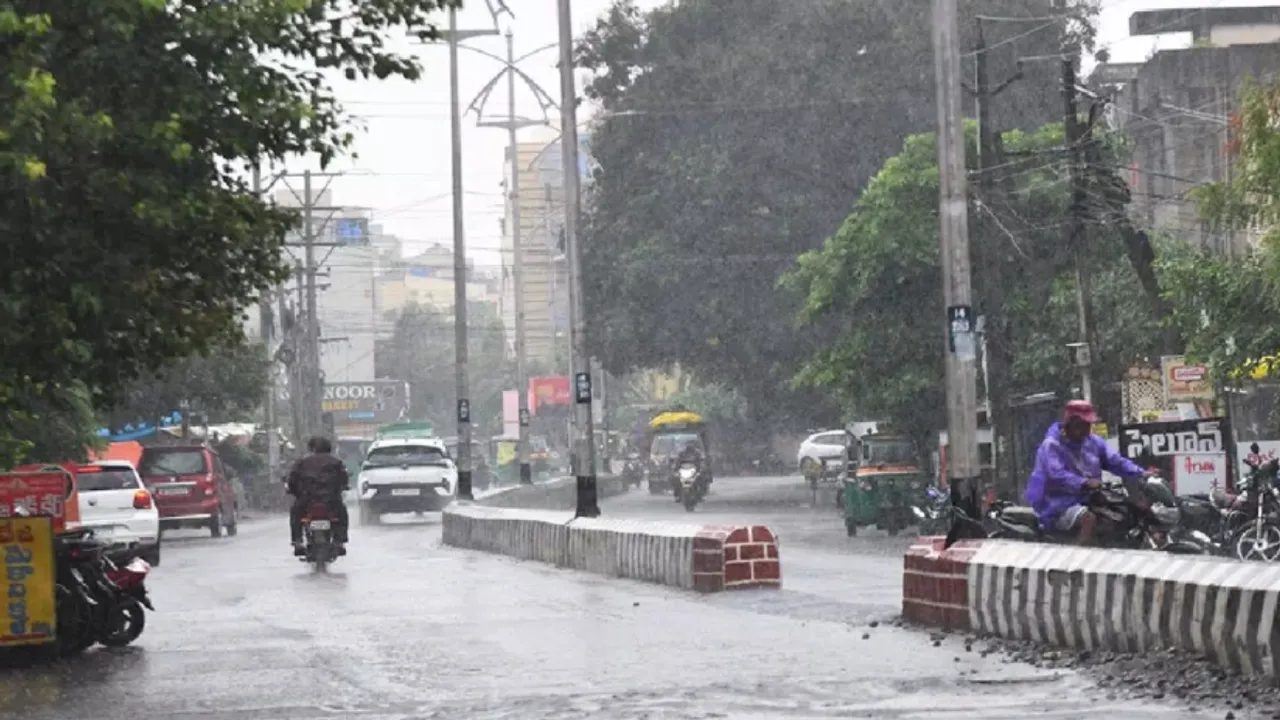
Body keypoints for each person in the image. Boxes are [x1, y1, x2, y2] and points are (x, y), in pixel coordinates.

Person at [1025, 400, 1149, 546]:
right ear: (1069, 423)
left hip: (1088, 499)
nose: (1085, 429)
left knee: (1118, 516)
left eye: (1088, 425)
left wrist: (1141, 473)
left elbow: (1115, 461)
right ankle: (1078, 562)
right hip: (1056, 504)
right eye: (1080, 425)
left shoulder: (1094, 443)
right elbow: (1057, 475)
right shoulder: (1051, 445)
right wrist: (1084, 482)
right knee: (1088, 519)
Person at [285, 436, 351, 556]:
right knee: (342, 514)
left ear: (311, 448)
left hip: (306, 500)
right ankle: (339, 541)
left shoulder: (301, 462)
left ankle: (297, 541)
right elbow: (344, 480)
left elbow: (292, 481)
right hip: (331, 501)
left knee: (295, 514)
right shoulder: (336, 462)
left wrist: (293, 491)